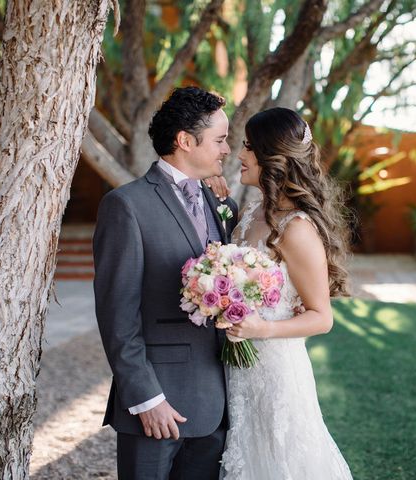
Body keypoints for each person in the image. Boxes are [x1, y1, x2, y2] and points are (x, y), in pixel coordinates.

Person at [93, 86, 238, 480]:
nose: (227, 150)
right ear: (185, 141)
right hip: (156, 404)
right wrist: (145, 398)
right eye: (220, 140)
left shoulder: (220, 204)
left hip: (216, 402)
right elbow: (116, 313)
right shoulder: (126, 206)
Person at [220, 107, 354, 479]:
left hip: (276, 374)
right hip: (238, 370)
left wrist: (263, 329)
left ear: (270, 156)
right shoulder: (250, 211)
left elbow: (321, 317)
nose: (239, 154)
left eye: (248, 146)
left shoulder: (297, 228)